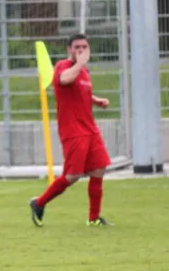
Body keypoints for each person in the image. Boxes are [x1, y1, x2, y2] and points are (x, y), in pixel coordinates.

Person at [29, 33, 111, 227]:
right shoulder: (64, 67)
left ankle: (94, 218)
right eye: (77, 47)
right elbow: (64, 80)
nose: (81, 50)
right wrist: (79, 63)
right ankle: (38, 203)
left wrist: (96, 100)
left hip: (90, 129)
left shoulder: (83, 72)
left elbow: (80, 91)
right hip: (73, 131)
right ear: (69, 50)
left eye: (84, 47)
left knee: (99, 169)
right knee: (72, 176)